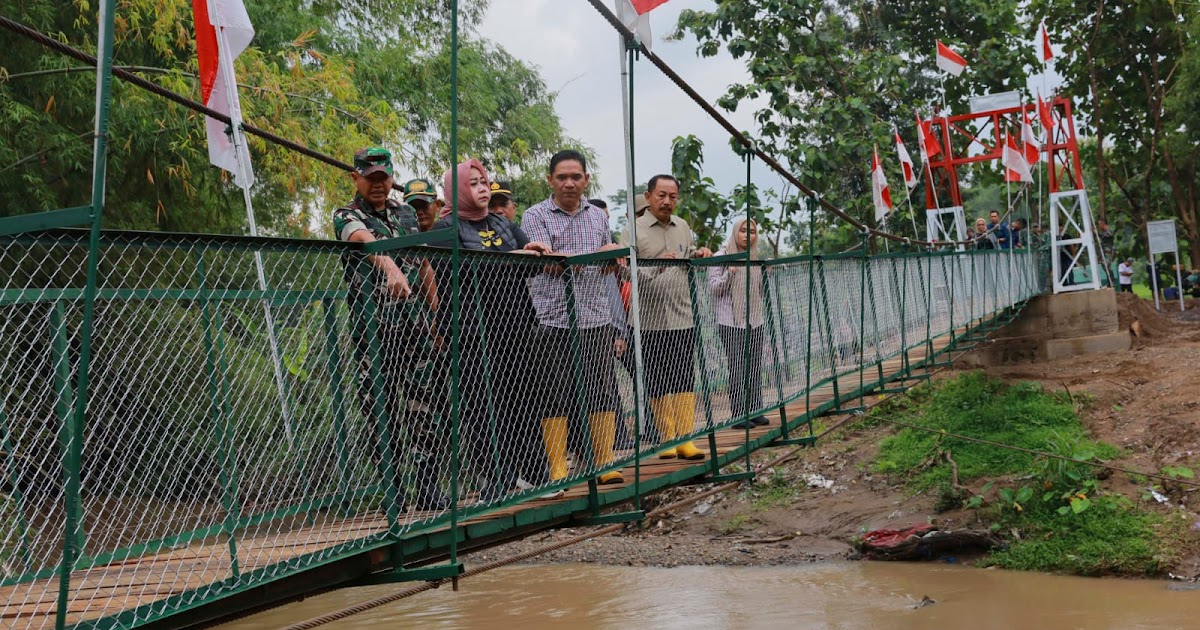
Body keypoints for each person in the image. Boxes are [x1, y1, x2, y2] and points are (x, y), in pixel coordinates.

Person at [331, 147, 449, 511]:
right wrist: (388, 265)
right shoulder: (346, 214)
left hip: (416, 330)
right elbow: (361, 239)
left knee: (424, 409)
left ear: (391, 177)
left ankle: (428, 487)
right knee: (379, 411)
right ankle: (393, 493)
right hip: (375, 333)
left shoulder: (406, 214)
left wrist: (438, 317)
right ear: (356, 178)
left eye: (384, 178)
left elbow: (425, 263)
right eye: (371, 179)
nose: (378, 185)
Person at [433, 160, 551, 501]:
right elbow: (456, 273)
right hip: (473, 331)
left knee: (525, 400)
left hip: (514, 324)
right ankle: (494, 480)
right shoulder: (447, 228)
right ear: (457, 191)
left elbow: (527, 264)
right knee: (485, 404)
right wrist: (512, 257)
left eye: (484, 182)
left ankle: (534, 474)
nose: (483, 189)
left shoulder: (502, 223)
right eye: (474, 184)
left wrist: (533, 252)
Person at [522, 150, 625, 485]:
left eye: (576, 177)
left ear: (586, 180)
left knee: (601, 390)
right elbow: (551, 263)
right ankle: (558, 466)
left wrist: (612, 257)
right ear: (550, 180)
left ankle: (604, 459)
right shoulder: (535, 215)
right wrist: (599, 254)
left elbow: (608, 258)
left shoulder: (597, 216)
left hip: (595, 315)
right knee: (554, 392)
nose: (569, 183)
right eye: (562, 177)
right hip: (552, 317)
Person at [622, 174, 712, 460]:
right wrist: (658, 268)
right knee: (658, 380)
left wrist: (698, 253)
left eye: (672, 196)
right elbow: (623, 270)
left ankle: (686, 438)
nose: (667, 201)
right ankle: (666, 440)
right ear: (648, 197)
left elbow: (687, 257)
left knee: (684, 377)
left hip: (683, 314)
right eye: (661, 195)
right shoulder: (633, 230)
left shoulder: (683, 226)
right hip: (649, 320)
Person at [708, 218, 768, 430]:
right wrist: (730, 274)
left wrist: (766, 275)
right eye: (743, 231)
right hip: (731, 321)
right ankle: (738, 414)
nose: (747, 235)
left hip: (754, 319)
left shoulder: (754, 257)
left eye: (752, 231)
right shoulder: (721, 256)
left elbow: (760, 291)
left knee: (754, 366)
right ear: (735, 232)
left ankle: (756, 409)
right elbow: (714, 288)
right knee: (737, 367)